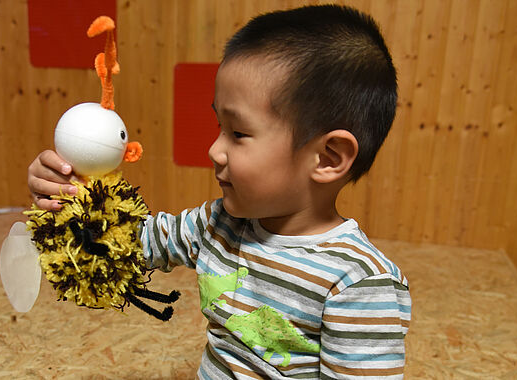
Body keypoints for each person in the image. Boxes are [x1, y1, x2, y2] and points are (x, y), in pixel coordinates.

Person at [28, 4, 411, 379]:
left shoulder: (358, 282)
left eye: (238, 133)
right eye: (219, 127)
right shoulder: (216, 225)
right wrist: (72, 192)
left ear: (328, 158)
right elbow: (129, 242)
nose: (214, 150)